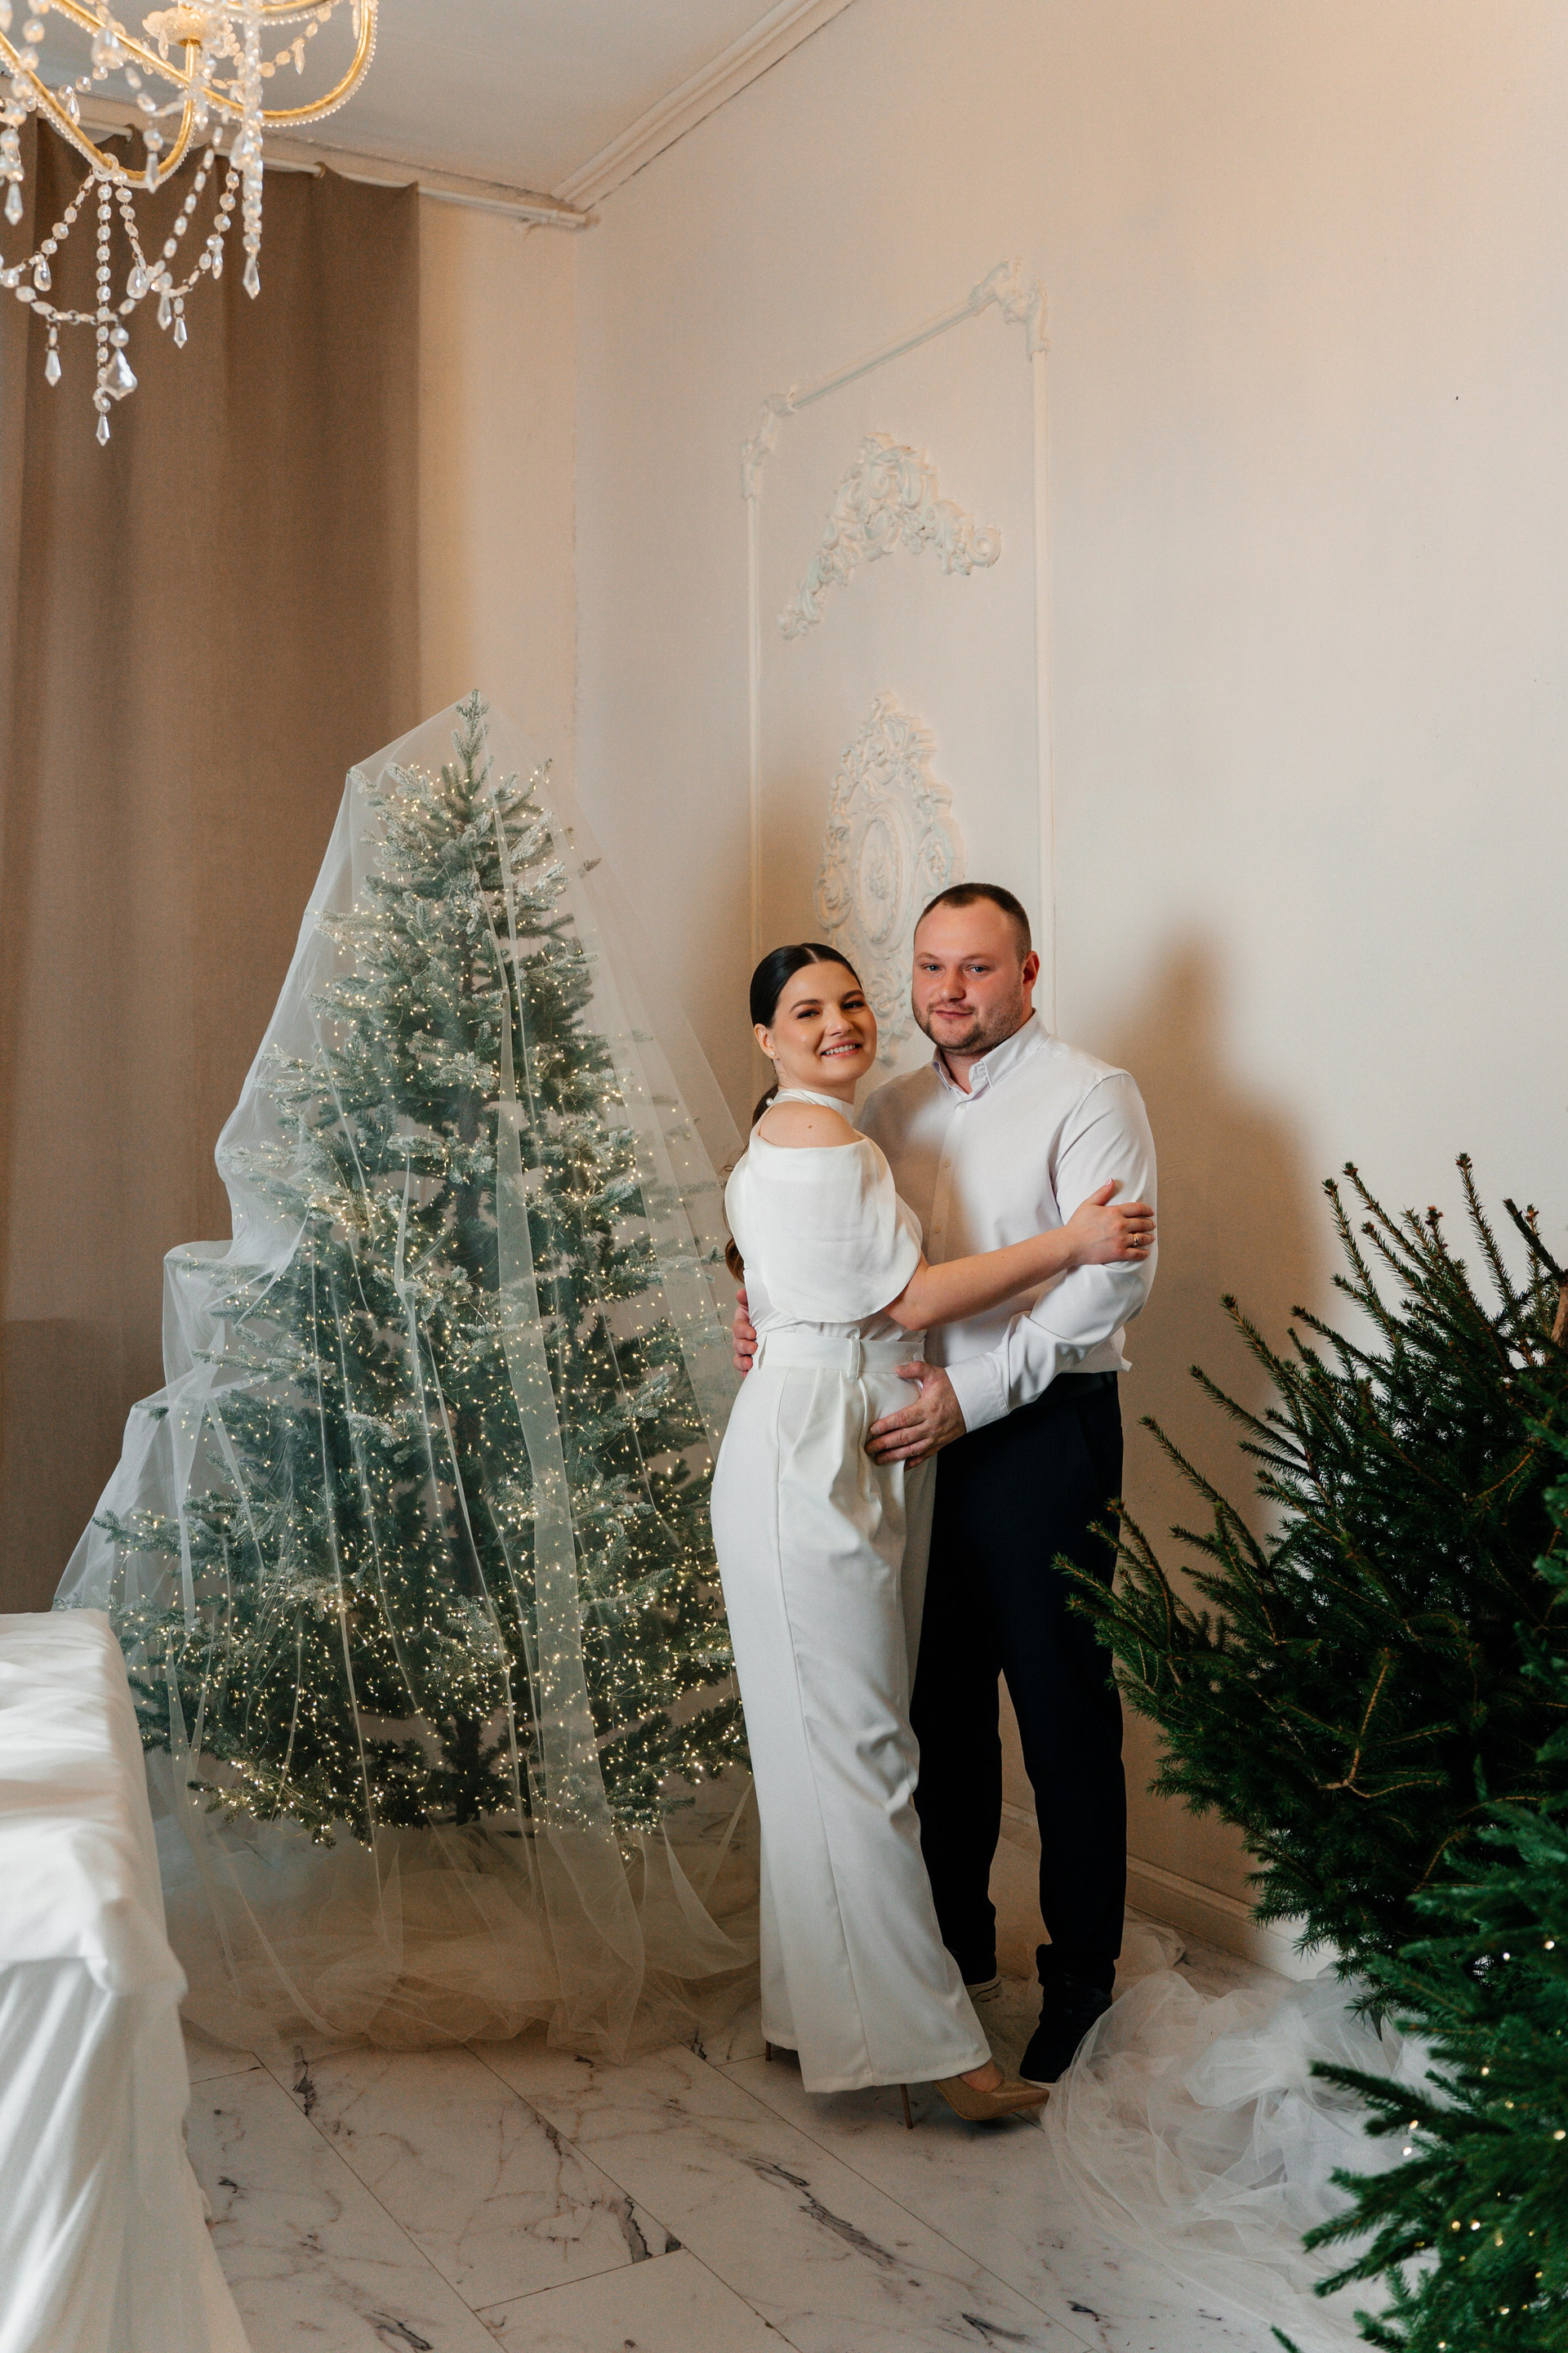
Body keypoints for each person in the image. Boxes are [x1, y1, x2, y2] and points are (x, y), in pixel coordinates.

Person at [712, 941, 1153, 2119]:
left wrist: (765, 1307)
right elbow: (903, 1299)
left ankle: (823, 2016)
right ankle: (940, 2049)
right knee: (870, 1747)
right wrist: (1073, 1239)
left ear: (1028, 971)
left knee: (851, 1742)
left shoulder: (1071, 1094)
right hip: (829, 1445)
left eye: (852, 1000)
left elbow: (792, 1264)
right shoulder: (843, 1130)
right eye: (809, 1009)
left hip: (904, 1431)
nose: (842, 1021)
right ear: (766, 1036)